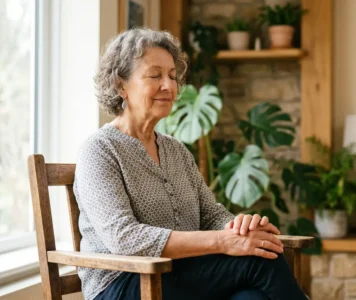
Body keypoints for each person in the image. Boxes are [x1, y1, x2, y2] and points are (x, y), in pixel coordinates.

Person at [73, 28, 307, 300]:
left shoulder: (176, 151)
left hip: (180, 277)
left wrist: (241, 229)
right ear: (120, 85)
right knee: (260, 260)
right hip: (122, 284)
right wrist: (224, 241)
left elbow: (211, 215)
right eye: (155, 75)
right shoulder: (99, 149)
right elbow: (124, 238)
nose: (169, 86)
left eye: (172, 76)